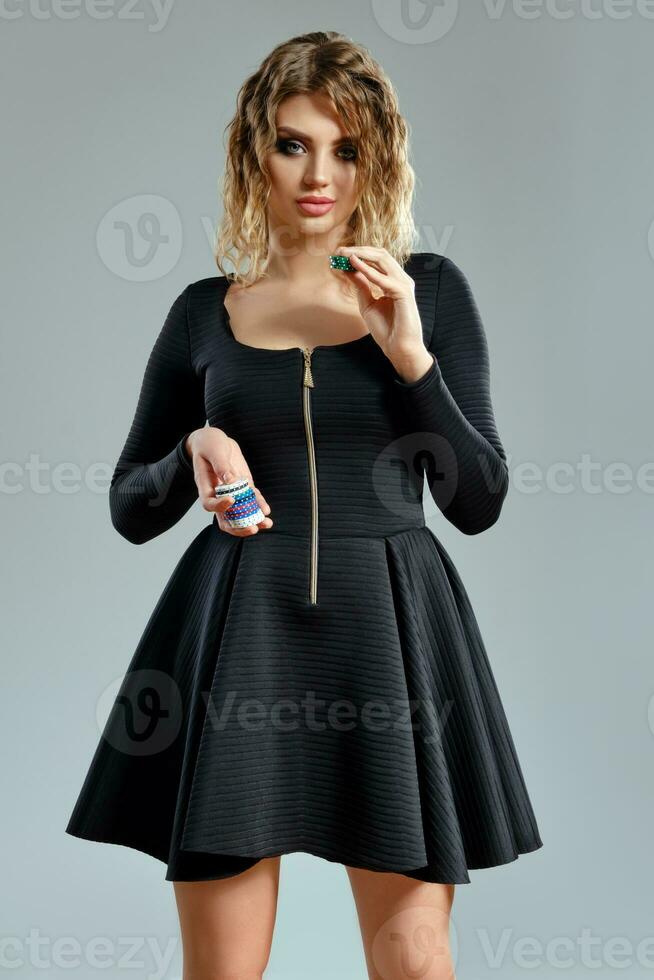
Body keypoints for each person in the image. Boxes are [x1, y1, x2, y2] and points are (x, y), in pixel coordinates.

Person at [66, 30, 543, 980]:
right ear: (257, 153)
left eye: (346, 148)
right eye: (294, 144)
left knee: (413, 956)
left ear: (379, 159)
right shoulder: (206, 313)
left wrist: (411, 357)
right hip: (237, 642)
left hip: (393, 642)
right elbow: (130, 505)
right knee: (222, 971)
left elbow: (479, 500)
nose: (319, 173)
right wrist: (193, 450)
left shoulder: (431, 293)